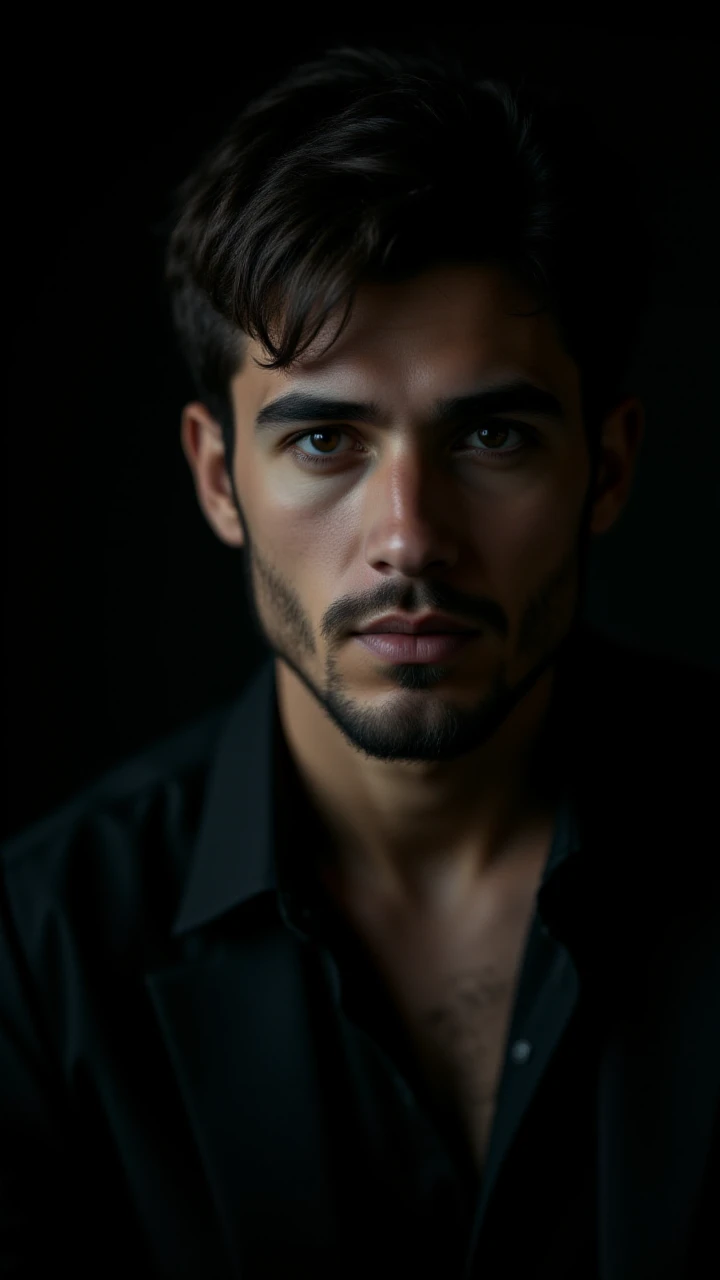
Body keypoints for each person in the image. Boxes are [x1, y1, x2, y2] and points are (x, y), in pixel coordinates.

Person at [1, 40, 717, 1280]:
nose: (409, 539)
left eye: (491, 433)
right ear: (219, 476)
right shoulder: (38, 952)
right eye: (326, 438)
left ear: (606, 468)